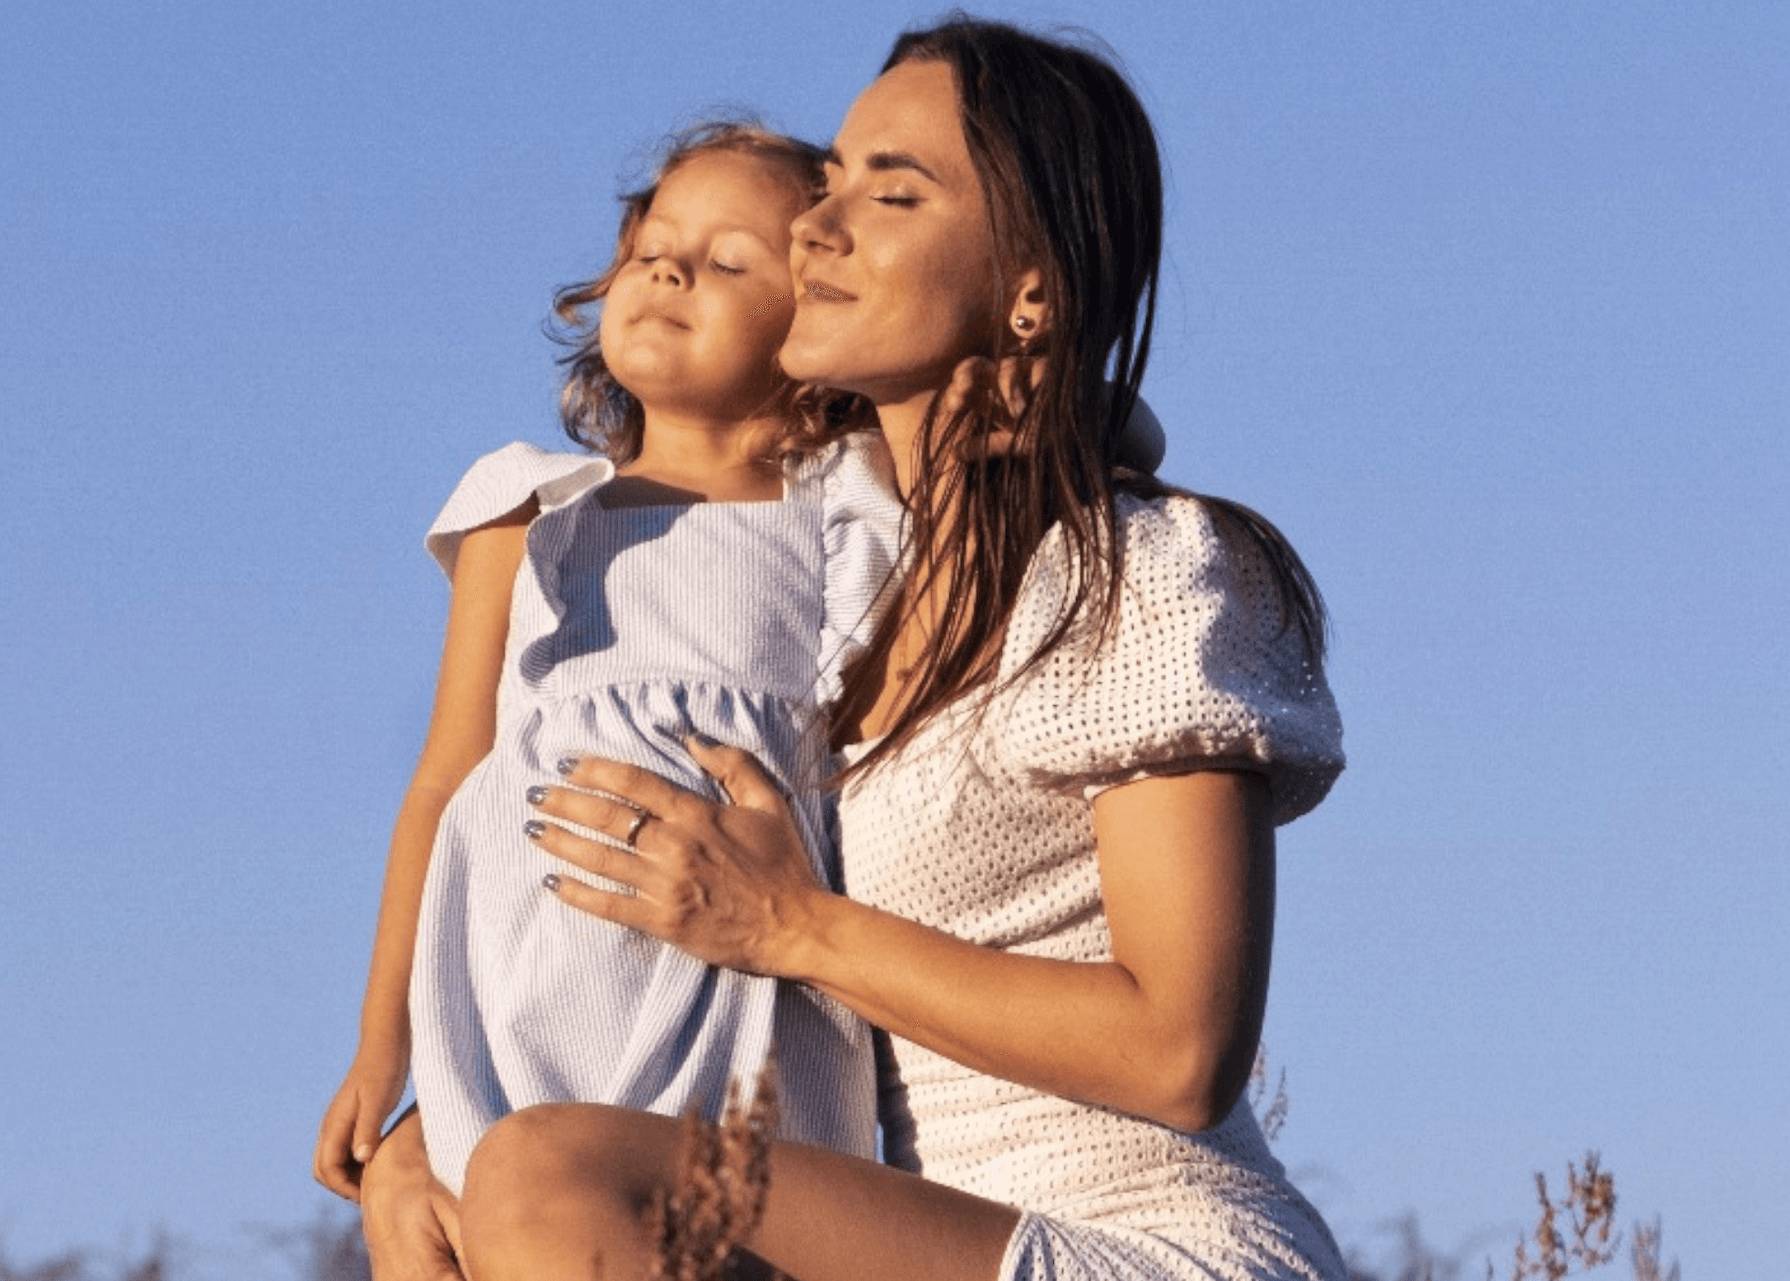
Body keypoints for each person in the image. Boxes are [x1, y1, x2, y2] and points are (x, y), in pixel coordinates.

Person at [367, 15, 1345, 1281]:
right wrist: (429, 1125)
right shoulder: (843, 580)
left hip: (1140, 1243)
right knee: (524, 1172)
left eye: (894, 191)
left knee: (552, 1172)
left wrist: (796, 926)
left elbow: (1181, 1052)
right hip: (879, 1233)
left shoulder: (1138, 570)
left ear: (1031, 287)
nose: (816, 227)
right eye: (827, 186)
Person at [311, 122, 900, 1212]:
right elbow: (445, 779)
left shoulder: (854, 508)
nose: (673, 269)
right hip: (532, 994)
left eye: (730, 261)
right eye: (652, 250)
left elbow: (1090, 429)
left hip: (750, 999)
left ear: (821, 316)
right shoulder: (529, 510)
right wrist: (381, 1041)